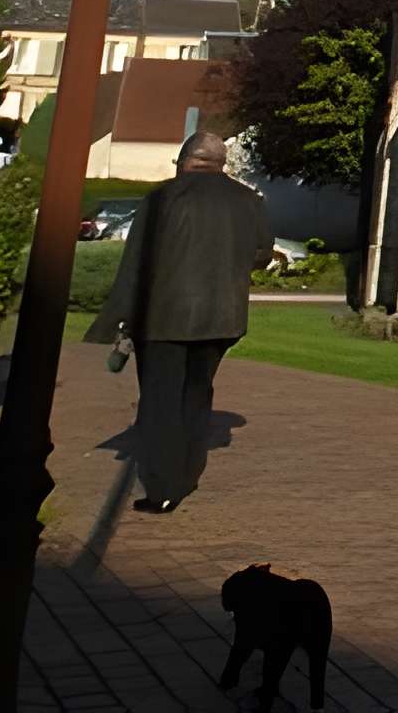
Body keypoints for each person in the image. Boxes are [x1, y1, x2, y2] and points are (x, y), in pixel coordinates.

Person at [91, 130, 274, 513]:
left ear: (185, 160)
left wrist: (121, 319)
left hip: (164, 317)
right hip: (221, 318)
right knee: (196, 394)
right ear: (221, 164)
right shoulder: (247, 200)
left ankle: (163, 486)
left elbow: (136, 263)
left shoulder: (162, 198)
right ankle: (187, 475)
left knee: (160, 401)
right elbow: (262, 253)